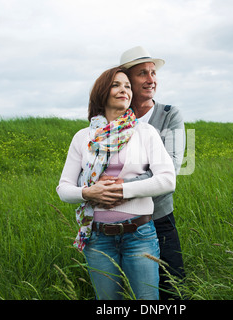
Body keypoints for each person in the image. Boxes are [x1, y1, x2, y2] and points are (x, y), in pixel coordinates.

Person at [56, 67, 176, 300]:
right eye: (116, 85)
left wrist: (122, 190)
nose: (124, 90)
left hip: (139, 234)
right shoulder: (83, 137)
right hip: (98, 238)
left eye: (128, 86)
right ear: (102, 92)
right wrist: (90, 192)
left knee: (147, 302)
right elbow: (64, 188)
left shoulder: (145, 132)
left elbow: (167, 180)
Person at [98, 46, 186, 300]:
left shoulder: (169, 115)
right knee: (118, 294)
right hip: (115, 222)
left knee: (172, 290)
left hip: (158, 218)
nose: (151, 80)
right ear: (126, 80)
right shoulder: (109, 119)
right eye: (142, 74)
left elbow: (170, 170)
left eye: (153, 73)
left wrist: (118, 187)